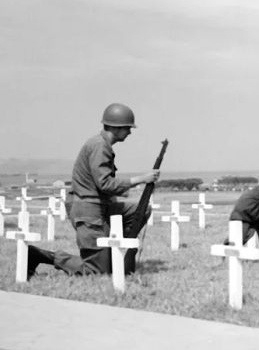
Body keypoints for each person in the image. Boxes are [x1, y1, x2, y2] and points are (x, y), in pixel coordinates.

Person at [27, 103, 160, 277]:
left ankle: (115, 253)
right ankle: (40, 256)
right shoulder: (99, 146)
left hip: (99, 207)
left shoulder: (102, 145)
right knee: (98, 271)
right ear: (116, 128)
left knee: (140, 210)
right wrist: (142, 179)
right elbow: (105, 184)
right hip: (87, 211)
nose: (129, 132)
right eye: (127, 127)